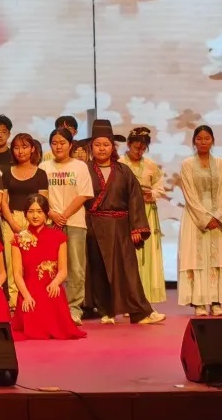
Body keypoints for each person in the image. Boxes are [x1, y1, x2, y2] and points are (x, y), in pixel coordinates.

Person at [85, 120, 165, 325]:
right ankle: (106, 311)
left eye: (106, 144)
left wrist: (136, 227)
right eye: (97, 144)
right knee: (99, 269)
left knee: (128, 271)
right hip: (94, 225)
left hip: (120, 225)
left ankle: (140, 312)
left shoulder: (123, 171)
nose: (102, 149)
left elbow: (135, 199)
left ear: (113, 147)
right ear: (91, 147)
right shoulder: (84, 170)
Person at [10, 195, 86, 341]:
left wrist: (55, 283)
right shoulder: (18, 239)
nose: (35, 216)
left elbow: (63, 271)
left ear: (46, 214)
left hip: (51, 289)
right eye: (31, 211)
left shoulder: (58, 237)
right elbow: (17, 273)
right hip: (29, 292)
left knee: (53, 297)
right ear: (25, 214)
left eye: (39, 211)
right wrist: (26, 296)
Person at [39, 128, 92, 324]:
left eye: (62, 143)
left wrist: (64, 215)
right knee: (48, 267)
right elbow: (42, 195)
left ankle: (73, 309)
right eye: (54, 143)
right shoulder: (44, 166)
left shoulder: (80, 166)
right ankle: (51, 307)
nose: (58, 146)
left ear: (70, 145)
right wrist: (52, 214)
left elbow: (84, 194)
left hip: (75, 222)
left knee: (76, 268)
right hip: (50, 223)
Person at [0, 132, 49, 307]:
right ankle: (14, 302)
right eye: (16, 148)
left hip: (34, 220)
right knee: (11, 262)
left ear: (33, 149)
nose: (20, 151)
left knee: (33, 262)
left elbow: (43, 201)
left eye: (25, 147)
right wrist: (13, 223)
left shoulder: (41, 174)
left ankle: (33, 298)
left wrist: (33, 222)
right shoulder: (7, 173)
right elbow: (3, 202)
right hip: (11, 219)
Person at [177, 125, 222, 316]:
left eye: (207, 138)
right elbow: (189, 193)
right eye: (199, 138)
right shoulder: (187, 164)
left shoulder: (219, 163)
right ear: (194, 141)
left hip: (217, 217)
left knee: (216, 258)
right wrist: (204, 218)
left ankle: (216, 301)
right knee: (196, 258)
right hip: (194, 216)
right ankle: (199, 302)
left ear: (213, 141)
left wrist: (217, 216)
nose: (203, 142)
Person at [121, 127, 167, 303]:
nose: (139, 151)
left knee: (148, 255)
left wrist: (152, 194)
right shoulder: (120, 164)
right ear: (128, 144)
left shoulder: (150, 165)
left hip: (147, 212)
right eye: (136, 147)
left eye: (143, 149)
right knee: (129, 255)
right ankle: (129, 299)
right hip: (127, 213)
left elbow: (159, 187)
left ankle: (146, 298)